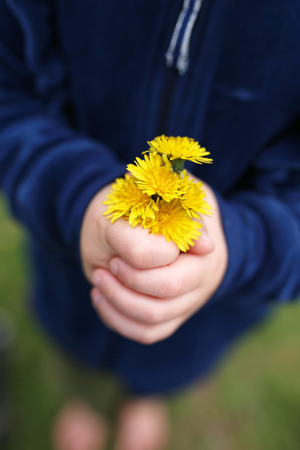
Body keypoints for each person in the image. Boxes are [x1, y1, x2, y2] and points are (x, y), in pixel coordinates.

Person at [0, 1, 300, 449]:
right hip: (73, 291)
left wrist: (240, 245)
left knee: (166, 369)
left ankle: (145, 400)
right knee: (76, 362)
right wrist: (79, 195)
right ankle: (86, 403)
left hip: (204, 325)